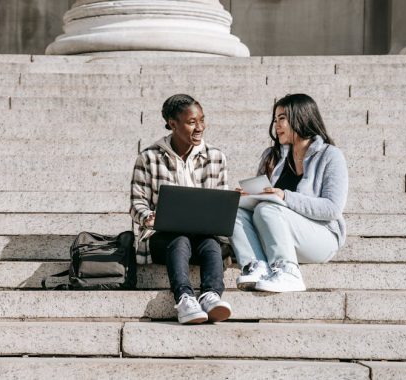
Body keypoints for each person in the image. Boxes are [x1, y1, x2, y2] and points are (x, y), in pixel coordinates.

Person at [130, 94, 232, 324]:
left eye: (202, 120)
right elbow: (136, 203)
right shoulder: (148, 158)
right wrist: (148, 217)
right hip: (162, 240)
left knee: (211, 244)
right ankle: (185, 298)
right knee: (180, 238)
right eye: (192, 122)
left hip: (204, 236)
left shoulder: (216, 157)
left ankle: (211, 296)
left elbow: (220, 201)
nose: (200, 127)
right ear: (172, 124)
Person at [231, 93, 348, 292]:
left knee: (268, 209)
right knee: (233, 210)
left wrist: (285, 196)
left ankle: (288, 273)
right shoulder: (272, 156)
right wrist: (249, 196)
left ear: (301, 117)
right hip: (275, 233)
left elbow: (332, 209)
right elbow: (263, 201)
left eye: (282, 119)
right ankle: (256, 266)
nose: (276, 125)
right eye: (275, 119)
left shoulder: (330, 156)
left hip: (321, 236)